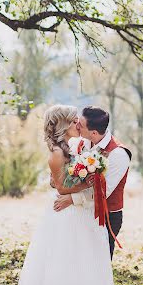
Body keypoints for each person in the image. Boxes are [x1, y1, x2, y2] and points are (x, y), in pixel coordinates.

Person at [12, 105, 122, 285]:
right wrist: (91, 180)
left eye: (78, 122)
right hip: (65, 217)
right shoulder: (57, 152)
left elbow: (60, 182)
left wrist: (90, 177)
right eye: (73, 122)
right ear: (63, 125)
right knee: (61, 267)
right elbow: (61, 187)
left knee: (83, 267)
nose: (77, 125)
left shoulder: (74, 147)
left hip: (82, 216)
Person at [54, 106, 131, 259]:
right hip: (83, 213)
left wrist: (71, 199)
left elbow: (103, 193)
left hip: (106, 216)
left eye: (80, 125)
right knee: (81, 258)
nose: (76, 126)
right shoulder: (82, 143)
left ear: (94, 132)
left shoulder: (118, 154)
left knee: (99, 261)